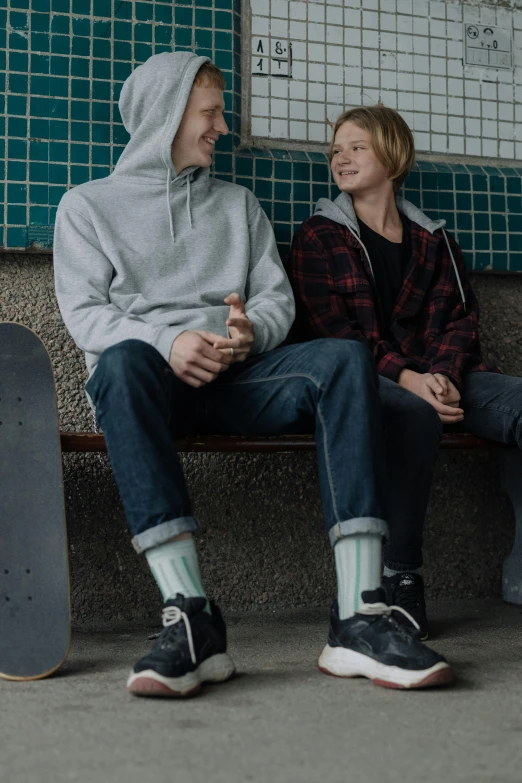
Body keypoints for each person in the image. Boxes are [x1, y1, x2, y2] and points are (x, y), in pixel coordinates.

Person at [54, 54, 453, 696]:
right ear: (167, 115)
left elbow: (275, 299)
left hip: (239, 381)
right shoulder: (86, 208)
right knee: (123, 362)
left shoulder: (238, 204)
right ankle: (189, 616)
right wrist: (169, 340)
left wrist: (251, 333)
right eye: (210, 113)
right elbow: (85, 316)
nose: (221, 127)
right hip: (151, 389)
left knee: (342, 358)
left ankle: (359, 614)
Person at [290, 105, 507, 640]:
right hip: (369, 380)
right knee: (413, 413)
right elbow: (334, 335)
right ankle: (401, 576)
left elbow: (462, 318)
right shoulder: (320, 236)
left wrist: (444, 375)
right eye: (335, 150)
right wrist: (409, 378)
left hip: (443, 376)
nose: (341, 158)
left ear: (392, 154)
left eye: (356, 147)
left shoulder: (434, 239)